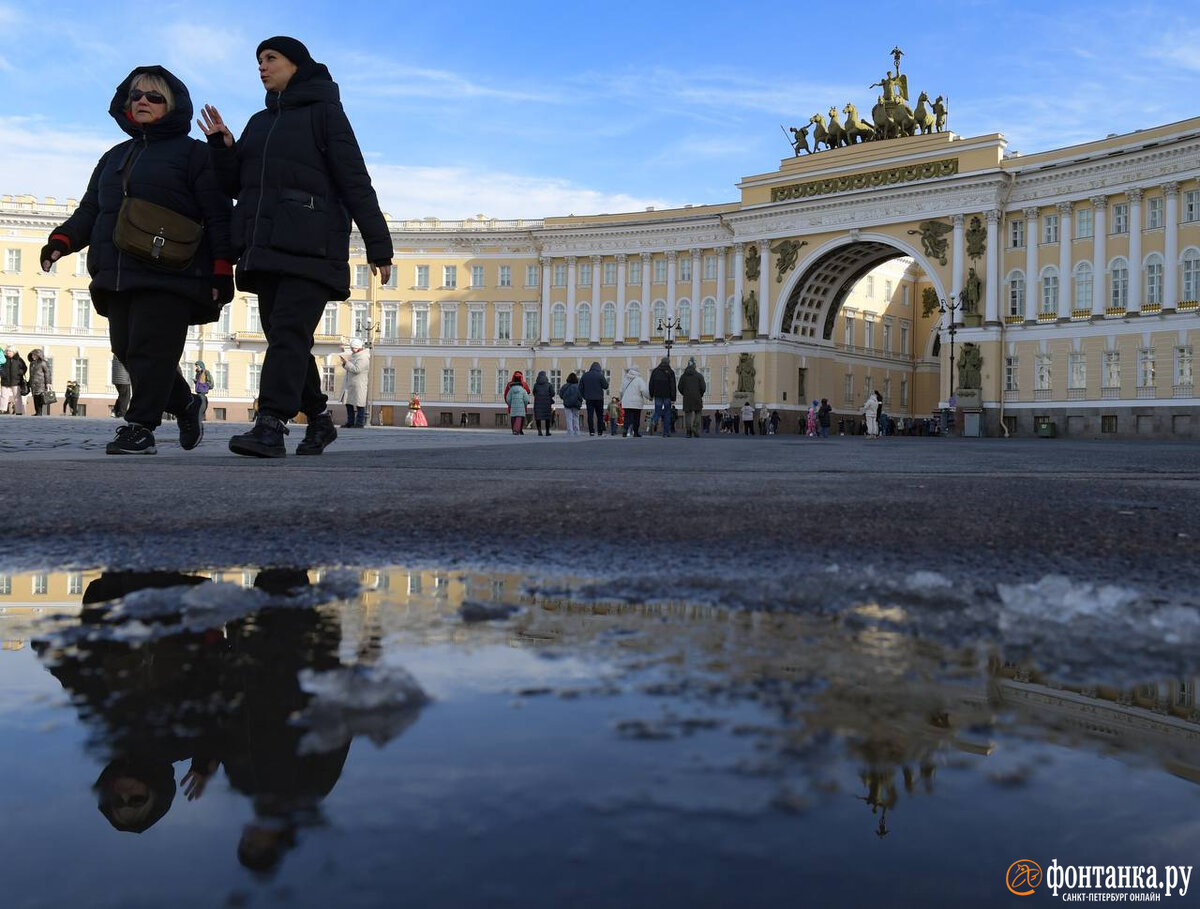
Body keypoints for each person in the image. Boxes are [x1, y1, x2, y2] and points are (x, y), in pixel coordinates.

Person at [200, 36, 393, 458]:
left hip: (311, 249)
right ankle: (321, 422)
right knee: (289, 340)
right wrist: (223, 148)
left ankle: (270, 424)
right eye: (259, 61)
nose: (262, 67)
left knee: (287, 334)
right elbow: (237, 185)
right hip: (266, 249)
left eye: (271, 59)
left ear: (297, 65)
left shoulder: (326, 114)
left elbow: (354, 179)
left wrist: (379, 245)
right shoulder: (259, 122)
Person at [40, 66, 232, 453]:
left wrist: (222, 269)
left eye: (154, 96)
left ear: (172, 105)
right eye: (136, 95)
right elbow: (92, 209)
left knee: (151, 350)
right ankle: (186, 404)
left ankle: (140, 428)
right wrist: (62, 240)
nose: (142, 100)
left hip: (173, 271)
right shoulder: (114, 156)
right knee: (129, 351)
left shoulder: (194, 153)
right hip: (117, 272)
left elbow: (218, 214)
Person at [338, 338, 368, 429]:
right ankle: (350, 422)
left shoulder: (364, 357)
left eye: (352, 348)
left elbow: (357, 369)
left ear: (358, 348)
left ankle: (359, 423)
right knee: (348, 403)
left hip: (359, 384)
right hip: (350, 383)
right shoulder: (354, 355)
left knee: (359, 404)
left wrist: (347, 363)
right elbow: (350, 368)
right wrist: (345, 363)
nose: (351, 349)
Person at [677, 357, 706, 438]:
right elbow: (703, 387)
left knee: (688, 414)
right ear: (694, 366)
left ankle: (688, 432)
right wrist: (700, 394)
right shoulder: (699, 376)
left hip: (687, 397)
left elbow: (679, 387)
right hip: (697, 397)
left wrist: (684, 393)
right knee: (698, 412)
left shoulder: (683, 376)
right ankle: (695, 428)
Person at [648, 357, 677, 437]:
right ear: (668, 363)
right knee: (667, 413)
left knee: (657, 410)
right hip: (667, 395)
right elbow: (673, 386)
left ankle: (653, 421)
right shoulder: (670, 372)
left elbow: (651, 384)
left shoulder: (655, 371)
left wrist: (651, 394)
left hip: (657, 394)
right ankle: (666, 432)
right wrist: (673, 398)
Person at [578, 361, 609, 436]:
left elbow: (580, 388)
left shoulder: (585, 375)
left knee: (590, 415)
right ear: (598, 368)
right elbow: (606, 386)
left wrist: (584, 396)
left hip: (589, 399)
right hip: (599, 399)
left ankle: (591, 431)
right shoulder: (600, 375)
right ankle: (600, 431)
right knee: (600, 415)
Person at [618, 365, 650, 438]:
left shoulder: (625, 379)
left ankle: (625, 430)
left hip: (626, 402)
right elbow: (644, 390)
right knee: (636, 418)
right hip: (636, 403)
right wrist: (649, 397)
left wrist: (621, 399)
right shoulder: (639, 380)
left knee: (627, 417)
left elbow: (621, 391)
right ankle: (636, 432)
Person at [26, 348, 52, 416]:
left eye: (34, 355)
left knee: (40, 397)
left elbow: (47, 373)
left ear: (39, 355)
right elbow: (31, 374)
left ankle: (39, 412)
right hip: (33, 383)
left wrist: (48, 383)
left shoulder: (43, 363)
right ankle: (37, 412)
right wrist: (29, 382)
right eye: (32, 355)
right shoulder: (32, 364)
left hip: (41, 383)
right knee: (35, 397)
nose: (33, 356)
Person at [0, 345, 26, 414]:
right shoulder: (3, 359)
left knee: (17, 397)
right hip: (5, 380)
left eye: (9, 351)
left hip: (16, 381)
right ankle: (2, 410)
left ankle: (19, 411)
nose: (8, 352)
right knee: (3, 396)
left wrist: (19, 373)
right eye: (7, 351)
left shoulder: (19, 359)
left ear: (13, 352)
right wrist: (2, 374)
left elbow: (24, 368)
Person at [504, 371, 531, 435]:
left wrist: (510, 404)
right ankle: (520, 430)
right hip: (521, 405)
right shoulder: (523, 385)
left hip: (513, 405)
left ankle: (514, 430)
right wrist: (525, 403)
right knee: (521, 417)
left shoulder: (510, 385)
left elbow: (506, 395)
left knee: (513, 417)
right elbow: (528, 393)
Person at [531, 370, 555, 436]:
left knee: (538, 417)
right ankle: (547, 432)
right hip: (547, 404)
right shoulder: (549, 385)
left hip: (538, 404)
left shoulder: (536, 385)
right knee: (547, 417)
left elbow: (534, 393)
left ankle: (539, 431)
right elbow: (553, 393)